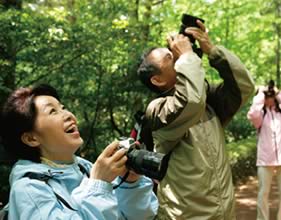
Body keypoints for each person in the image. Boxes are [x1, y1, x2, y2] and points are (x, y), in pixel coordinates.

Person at [137, 19, 255, 219]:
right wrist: (188, 56)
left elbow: (244, 87)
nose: (176, 54)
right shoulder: (158, 110)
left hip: (225, 213)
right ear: (157, 80)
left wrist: (212, 51)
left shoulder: (207, 100)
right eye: (169, 56)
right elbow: (190, 101)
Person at [0, 84, 158, 220]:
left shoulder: (85, 168)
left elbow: (139, 216)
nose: (69, 115)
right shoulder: (28, 189)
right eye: (52, 112)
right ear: (31, 139)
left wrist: (130, 184)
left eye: (63, 108)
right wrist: (98, 185)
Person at [247, 80, 281, 220]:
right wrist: (260, 95)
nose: (269, 98)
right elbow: (252, 114)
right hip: (265, 158)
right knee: (263, 192)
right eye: (267, 96)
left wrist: (279, 93)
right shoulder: (260, 116)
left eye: (271, 96)